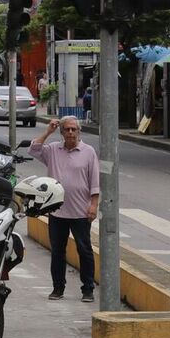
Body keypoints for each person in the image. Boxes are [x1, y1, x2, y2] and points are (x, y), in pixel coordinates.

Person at [28, 115, 100, 302]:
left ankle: (88, 289)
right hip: (57, 211)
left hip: (81, 212)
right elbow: (34, 149)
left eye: (73, 129)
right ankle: (58, 288)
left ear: (79, 131)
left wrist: (93, 205)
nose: (70, 133)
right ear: (61, 133)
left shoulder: (88, 152)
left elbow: (95, 181)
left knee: (84, 250)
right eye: (66, 129)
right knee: (58, 251)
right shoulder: (53, 150)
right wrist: (48, 131)